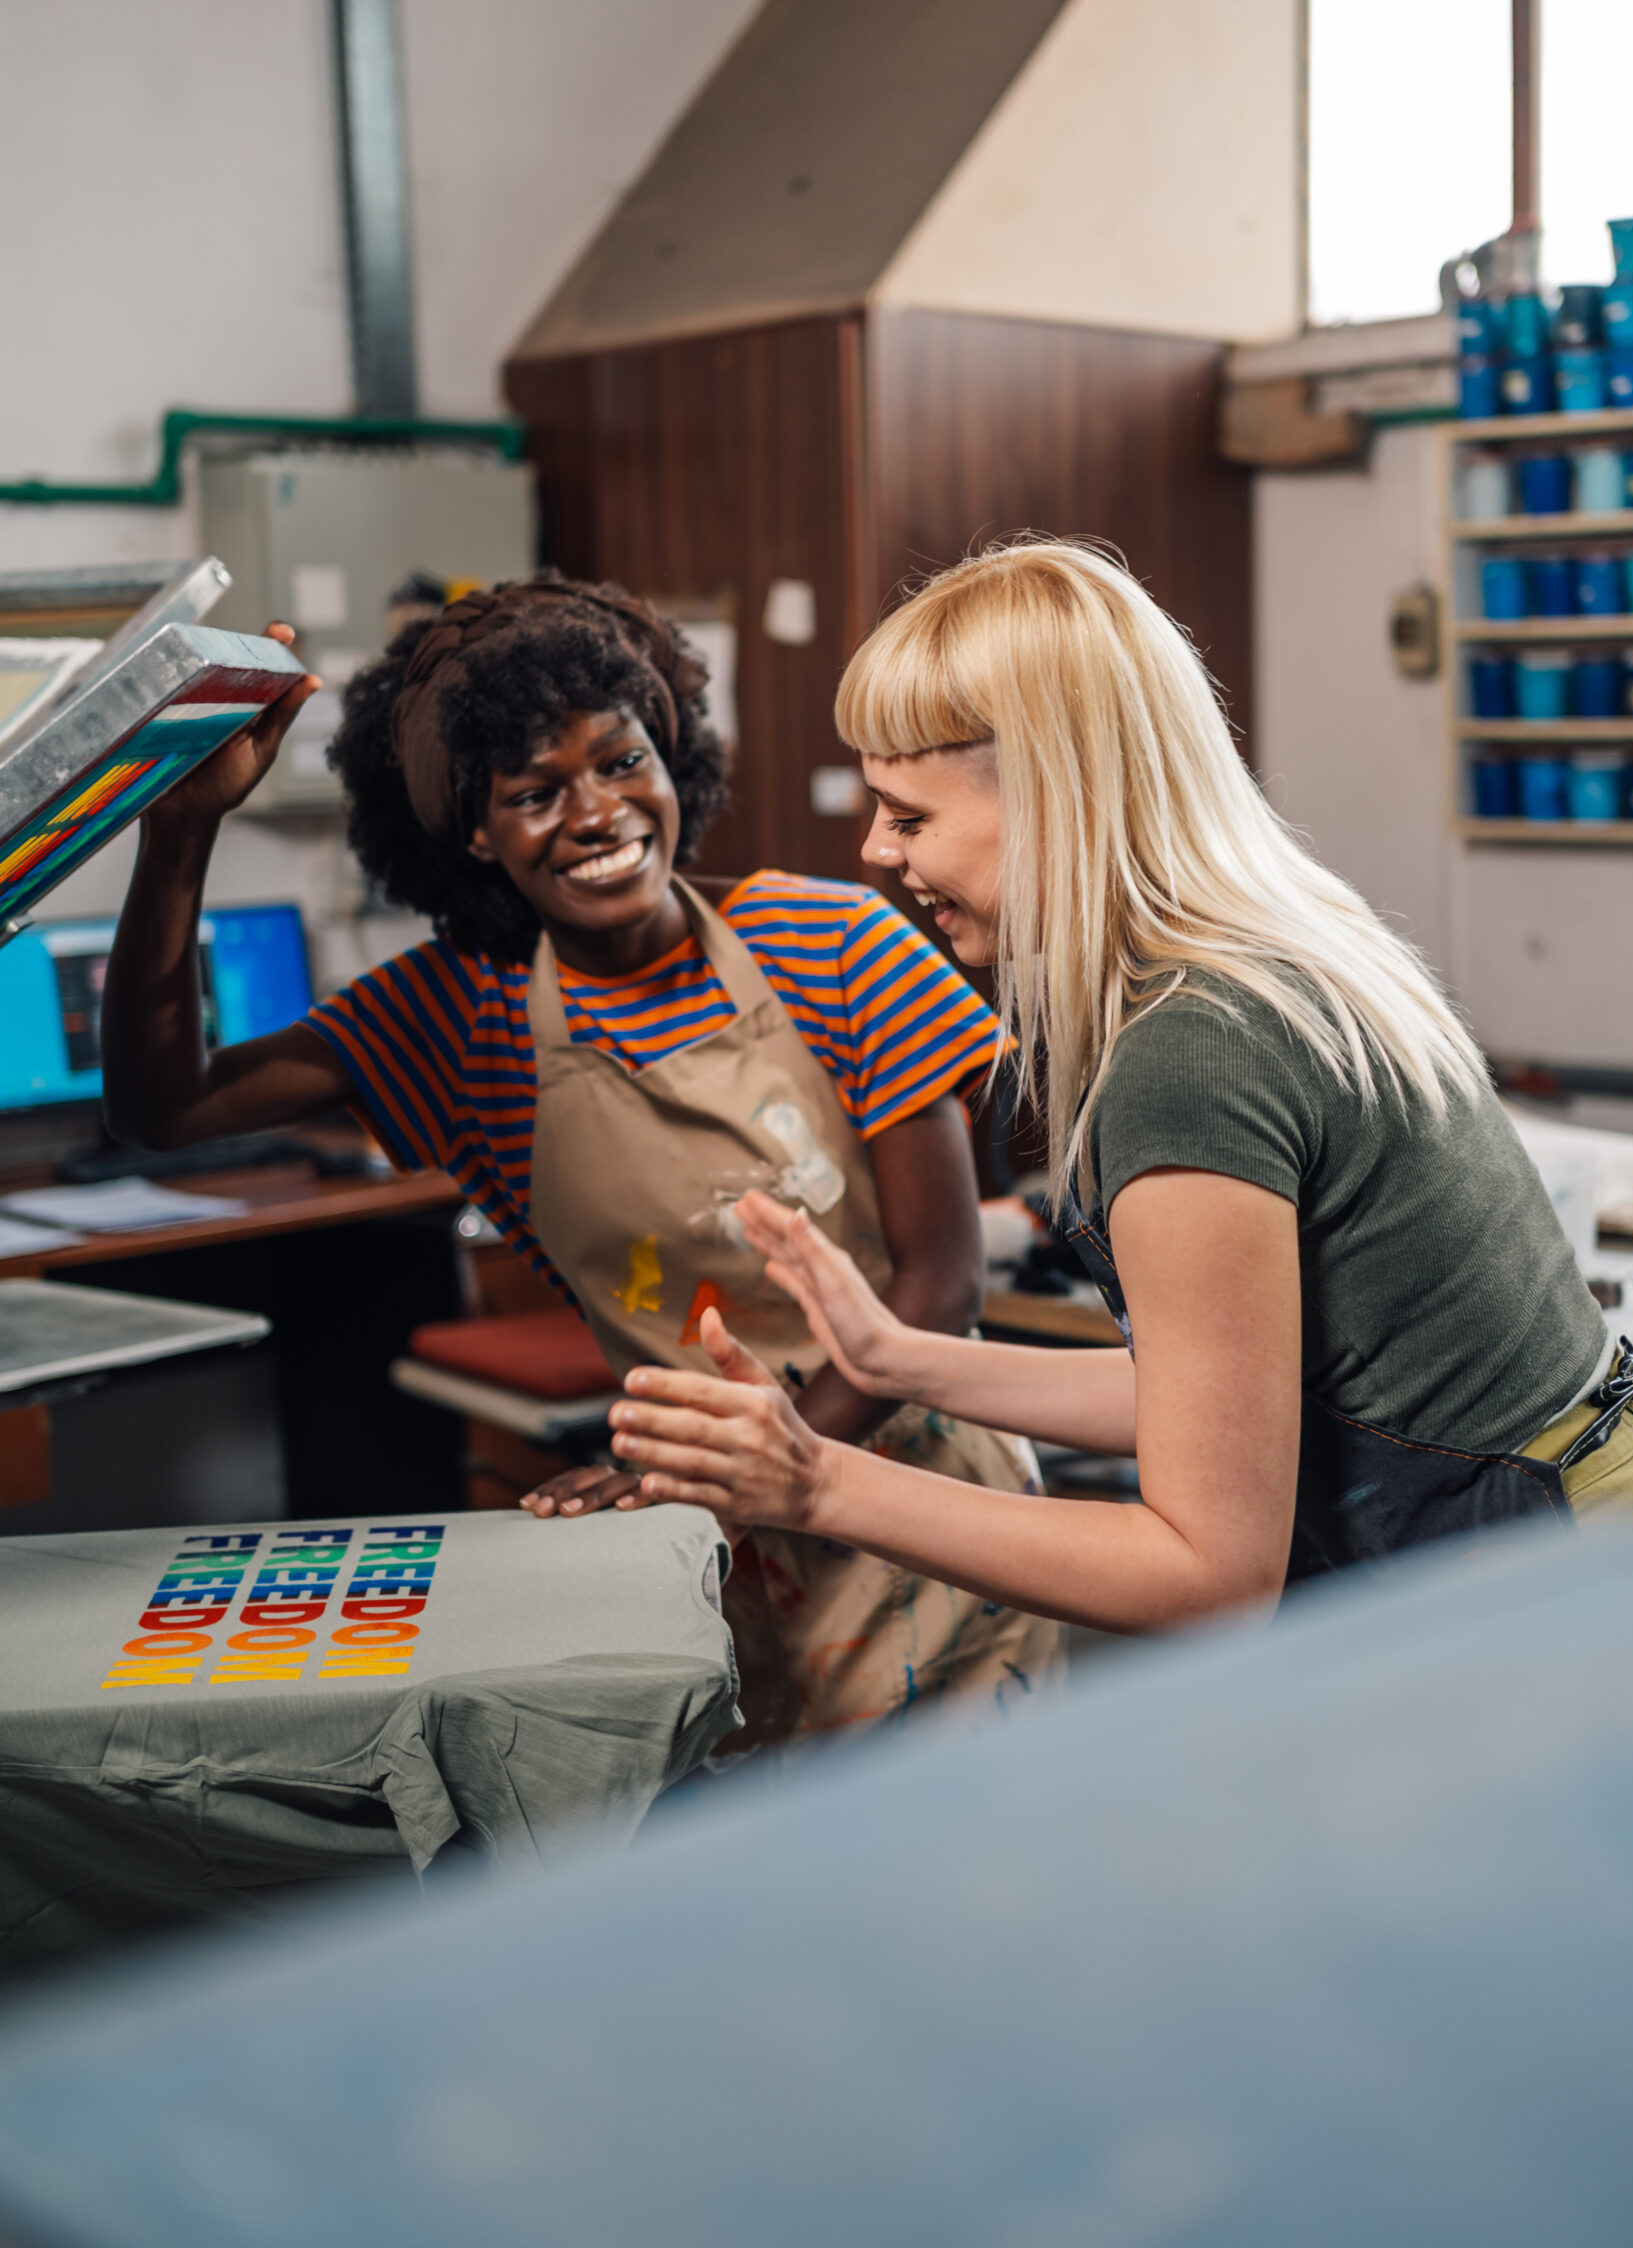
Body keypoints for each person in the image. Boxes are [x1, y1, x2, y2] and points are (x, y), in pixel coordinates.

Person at [602, 537, 1633, 1632]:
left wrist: (816, 1483)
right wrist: (900, 1358)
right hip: (1610, 1536)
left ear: (1049, 795)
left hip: (1573, 1596)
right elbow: (1218, 1397)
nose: (876, 852)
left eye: (909, 815)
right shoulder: (1270, 945)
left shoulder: (1191, 1053)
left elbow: (1206, 1573)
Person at [101, 572, 1062, 1726]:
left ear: (669, 757)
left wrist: (749, 1469)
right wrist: (179, 823)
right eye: (534, 791)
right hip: (703, 1548)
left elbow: (938, 1286)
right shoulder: (458, 1021)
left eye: (620, 762)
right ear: (474, 830)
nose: (598, 811)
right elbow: (163, 1106)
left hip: (924, 1510)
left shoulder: (831, 938)